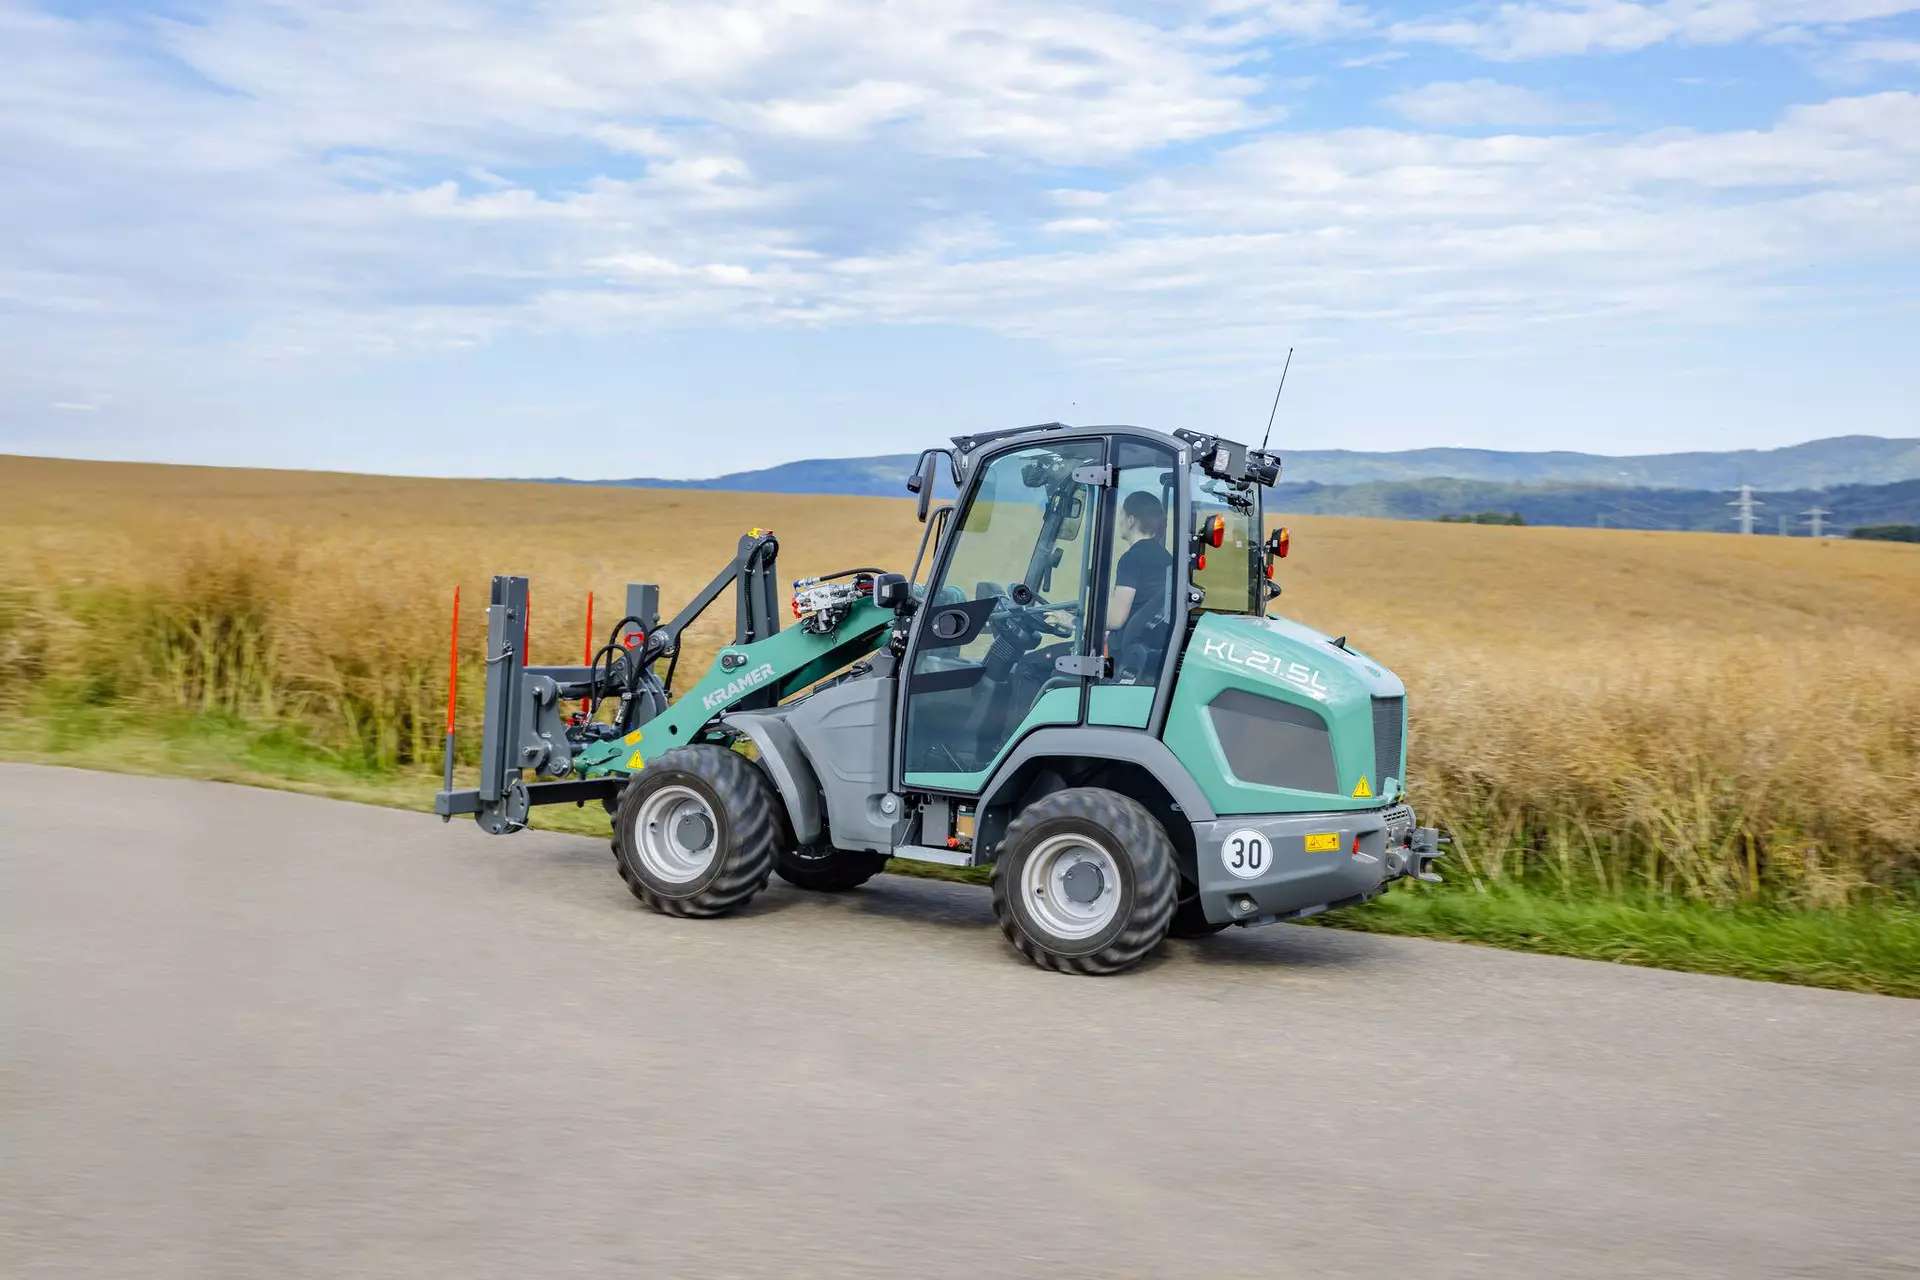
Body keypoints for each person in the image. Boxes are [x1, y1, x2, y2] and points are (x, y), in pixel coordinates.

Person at [1109, 490, 1172, 643]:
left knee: (1042, 660)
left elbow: (1116, 620)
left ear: (1130, 520)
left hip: (1124, 649)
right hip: (1148, 643)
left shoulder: (1131, 559)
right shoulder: (1167, 558)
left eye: (1121, 515)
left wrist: (1072, 621)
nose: (1119, 521)